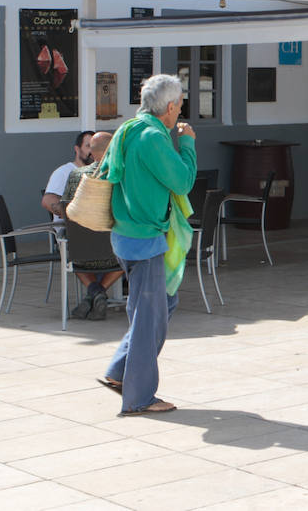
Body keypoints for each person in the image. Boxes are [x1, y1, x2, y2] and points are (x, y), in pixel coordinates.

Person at [100, 74, 197, 415]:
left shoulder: (126, 130)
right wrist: (187, 144)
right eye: (180, 106)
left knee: (162, 304)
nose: (180, 112)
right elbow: (183, 181)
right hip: (145, 239)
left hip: (125, 235)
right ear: (170, 107)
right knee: (149, 319)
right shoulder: (154, 137)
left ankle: (119, 371)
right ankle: (139, 397)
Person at [61, 131, 124, 321]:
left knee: (67, 244)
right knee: (133, 250)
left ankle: (93, 293)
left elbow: (67, 209)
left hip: (80, 255)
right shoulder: (122, 176)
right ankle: (99, 291)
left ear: (92, 153)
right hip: (114, 254)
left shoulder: (75, 175)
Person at [42, 130, 93, 218]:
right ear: (77, 149)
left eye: (97, 147)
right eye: (88, 146)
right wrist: (71, 214)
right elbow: (48, 200)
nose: (93, 151)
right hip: (71, 229)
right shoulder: (64, 172)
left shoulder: (105, 173)